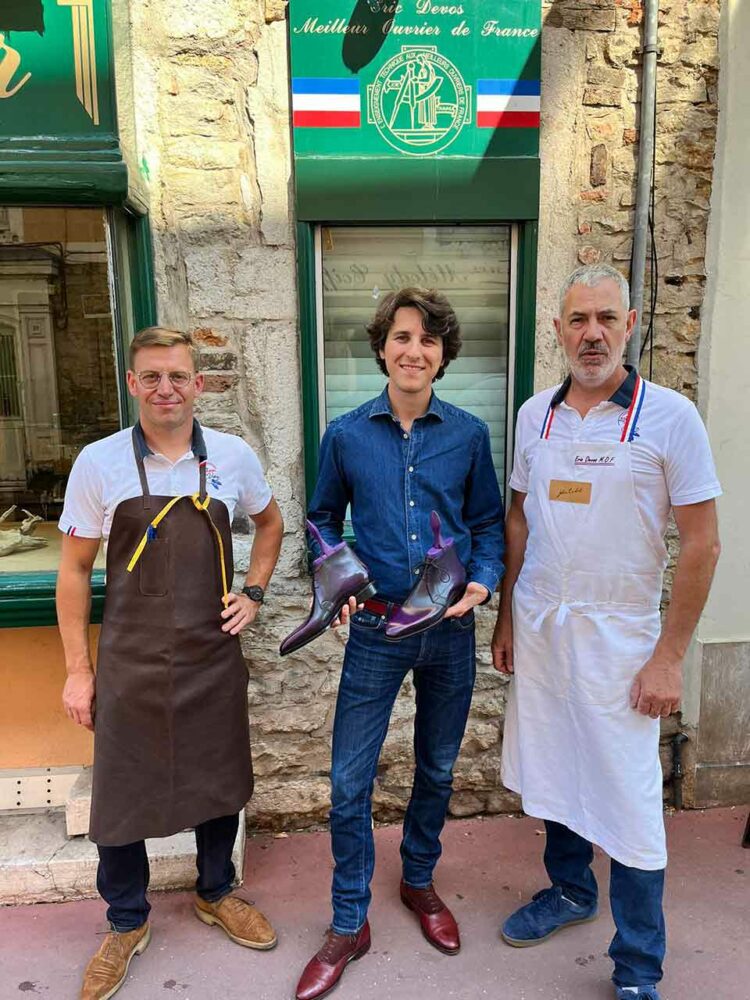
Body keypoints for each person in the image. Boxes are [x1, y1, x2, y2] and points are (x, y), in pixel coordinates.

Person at [492, 264, 721, 1000]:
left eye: (606, 319)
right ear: (557, 332)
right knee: (555, 764)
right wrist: (504, 616)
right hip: (542, 626)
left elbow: (703, 543)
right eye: (578, 320)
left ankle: (638, 965)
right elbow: (519, 516)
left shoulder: (670, 417)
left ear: (629, 325)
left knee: (627, 800)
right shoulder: (536, 415)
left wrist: (669, 658)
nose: (592, 334)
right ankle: (567, 891)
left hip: (624, 639)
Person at [57, 327, 284, 1000]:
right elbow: (71, 573)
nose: (165, 388)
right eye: (151, 376)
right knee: (121, 791)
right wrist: (77, 668)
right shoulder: (99, 464)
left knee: (218, 778)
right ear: (132, 384)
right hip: (128, 655)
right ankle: (126, 921)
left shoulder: (232, 458)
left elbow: (270, 526)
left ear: (199, 384)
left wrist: (255, 593)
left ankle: (217, 890)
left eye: (178, 376)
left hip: (211, 653)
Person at [295, 287, 505, 1000]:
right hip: (379, 629)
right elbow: (320, 518)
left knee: (438, 769)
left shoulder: (470, 435)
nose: (415, 351)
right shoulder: (348, 435)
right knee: (350, 781)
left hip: (449, 630)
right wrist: (341, 576)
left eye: (429, 340)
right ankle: (349, 920)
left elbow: (487, 526)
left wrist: (481, 583)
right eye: (402, 337)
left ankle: (418, 880)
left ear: (443, 356)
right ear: (382, 346)